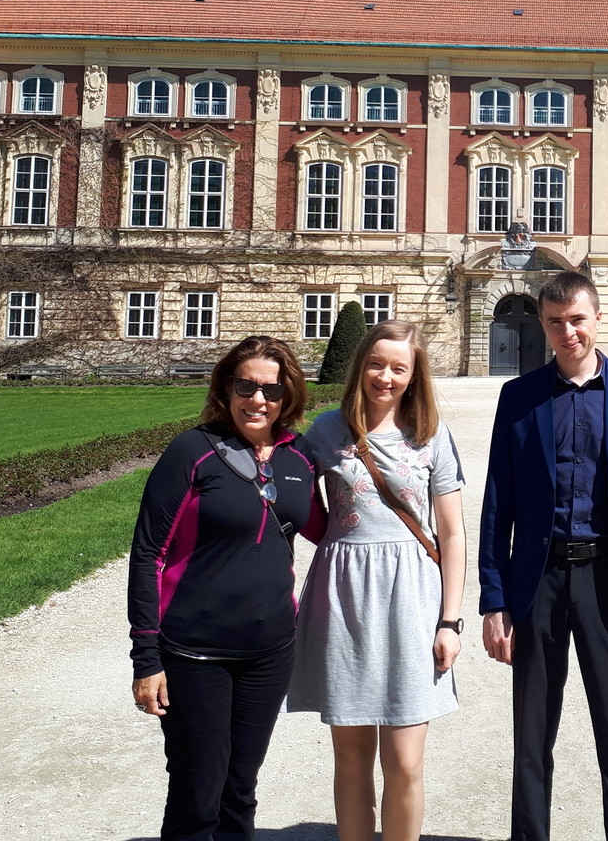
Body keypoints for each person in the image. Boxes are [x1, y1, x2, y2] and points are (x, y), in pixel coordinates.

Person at [479, 270, 608, 841]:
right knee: (532, 735)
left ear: (597, 318)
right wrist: (494, 601)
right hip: (536, 580)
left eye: (577, 320)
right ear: (544, 326)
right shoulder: (519, 396)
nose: (568, 333)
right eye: (555, 323)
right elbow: (497, 502)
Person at [128, 335, 325, 841]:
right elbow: (148, 553)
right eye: (246, 387)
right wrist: (146, 659)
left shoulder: (298, 456)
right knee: (198, 793)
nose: (258, 400)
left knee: (240, 788)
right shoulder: (192, 451)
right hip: (194, 652)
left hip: (270, 651)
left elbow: (327, 528)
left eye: (272, 390)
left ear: (288, 396)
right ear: (225, 388)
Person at [288, 320, 467, 841]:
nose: (385, 377)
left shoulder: (430, 436)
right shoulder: (327, 431)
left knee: (405, 761)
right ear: (360, 367)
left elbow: (452, 534)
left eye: (398, 368)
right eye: (376, 364)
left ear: (413, 376)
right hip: (341, 595)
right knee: (350, 757)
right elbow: (289, 498)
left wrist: (450, 621)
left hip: (412, 597)